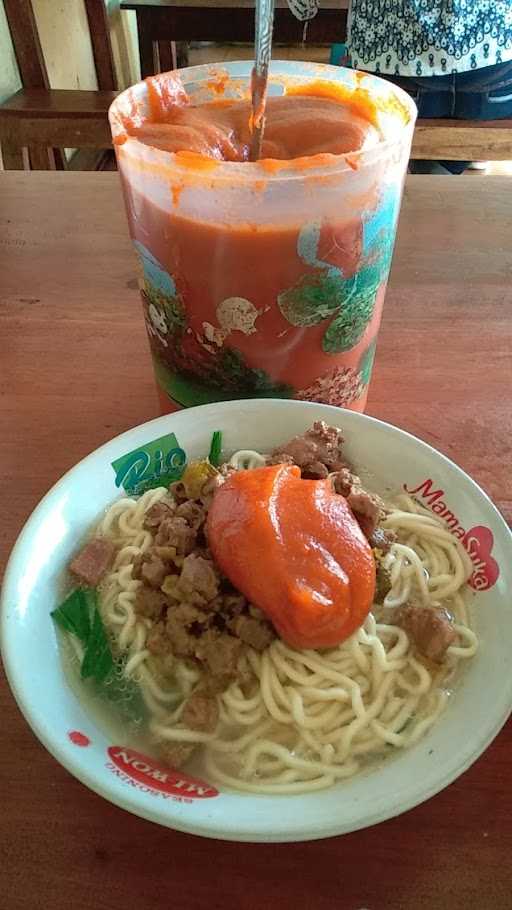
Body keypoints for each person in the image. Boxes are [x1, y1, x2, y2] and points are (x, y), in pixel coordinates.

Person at [346, 1, 512, 173]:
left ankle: (439, 166)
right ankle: (457, 159)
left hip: (396, 57)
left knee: (404, 120)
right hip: (496, 53)